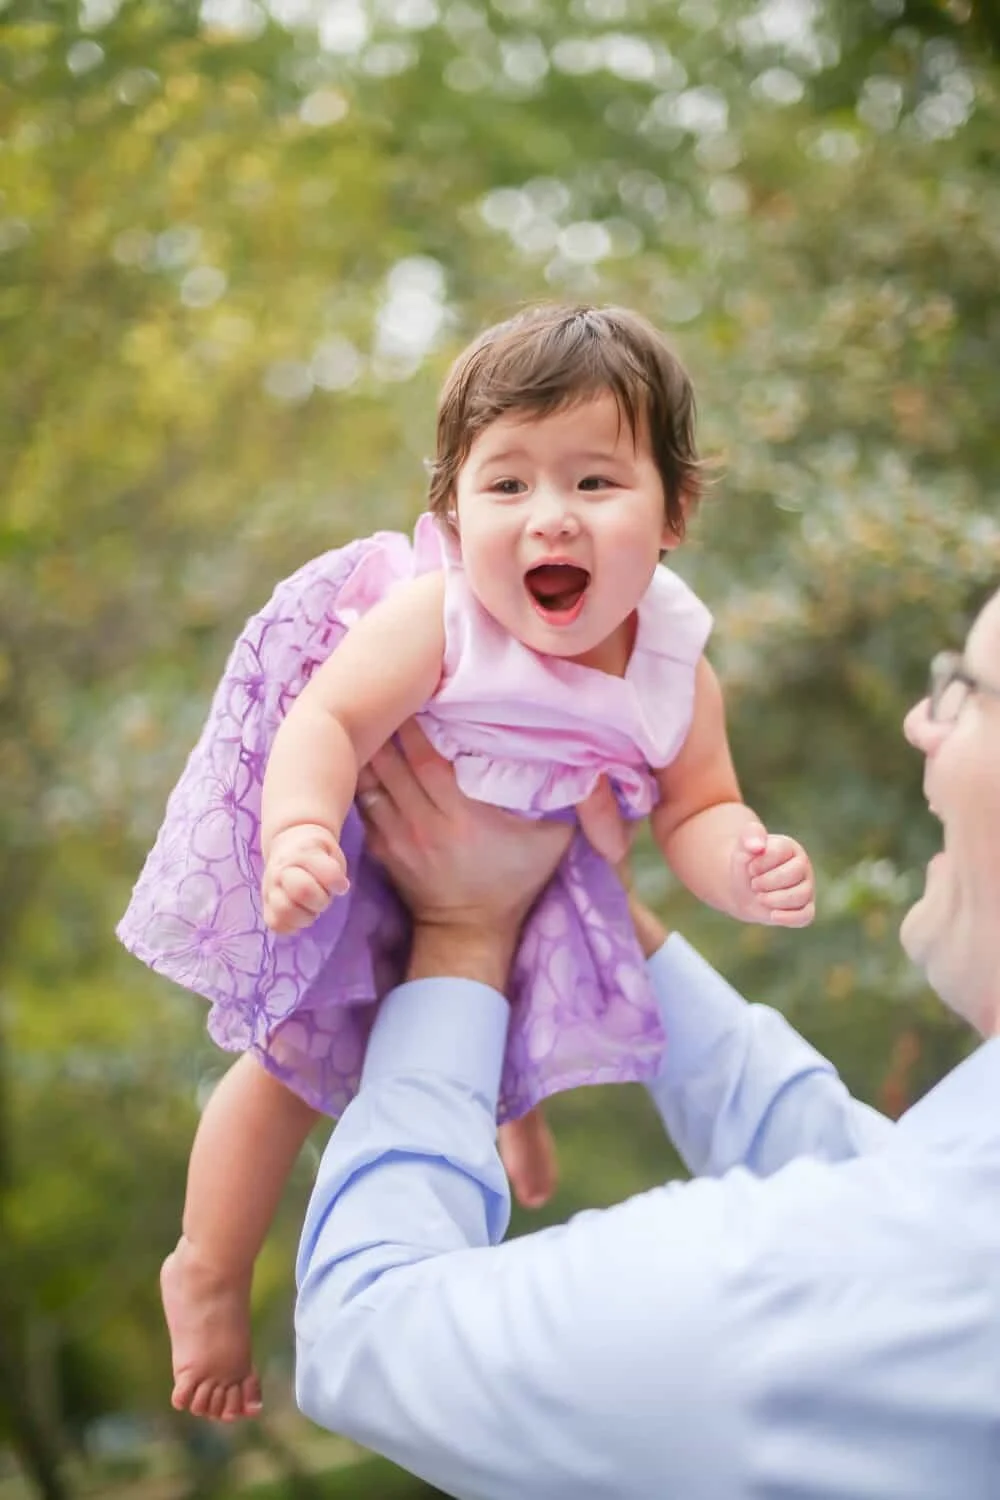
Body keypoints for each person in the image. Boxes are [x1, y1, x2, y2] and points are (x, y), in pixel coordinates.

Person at [118, 304, 814, 1420]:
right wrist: (299, 831)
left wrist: (744, 865)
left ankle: (506, 1119)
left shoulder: (677, 669)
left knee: (538, 961)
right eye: (507, 486)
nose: (550, 518)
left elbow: (699, 806)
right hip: (369, 874)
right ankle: (206, 1263)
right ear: (450, 508)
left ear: (674, 510)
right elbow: (329, 723)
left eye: (595, 483)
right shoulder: (438, 619)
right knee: (287, 1067)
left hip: (540, 889)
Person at [294, 590, 1000, 1500]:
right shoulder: (935, 1239)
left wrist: (463, 932)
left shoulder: (783, 1303)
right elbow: (869, 1179)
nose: (919, 723)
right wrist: (601, 919)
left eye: (967, 691)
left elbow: (365, 1329)